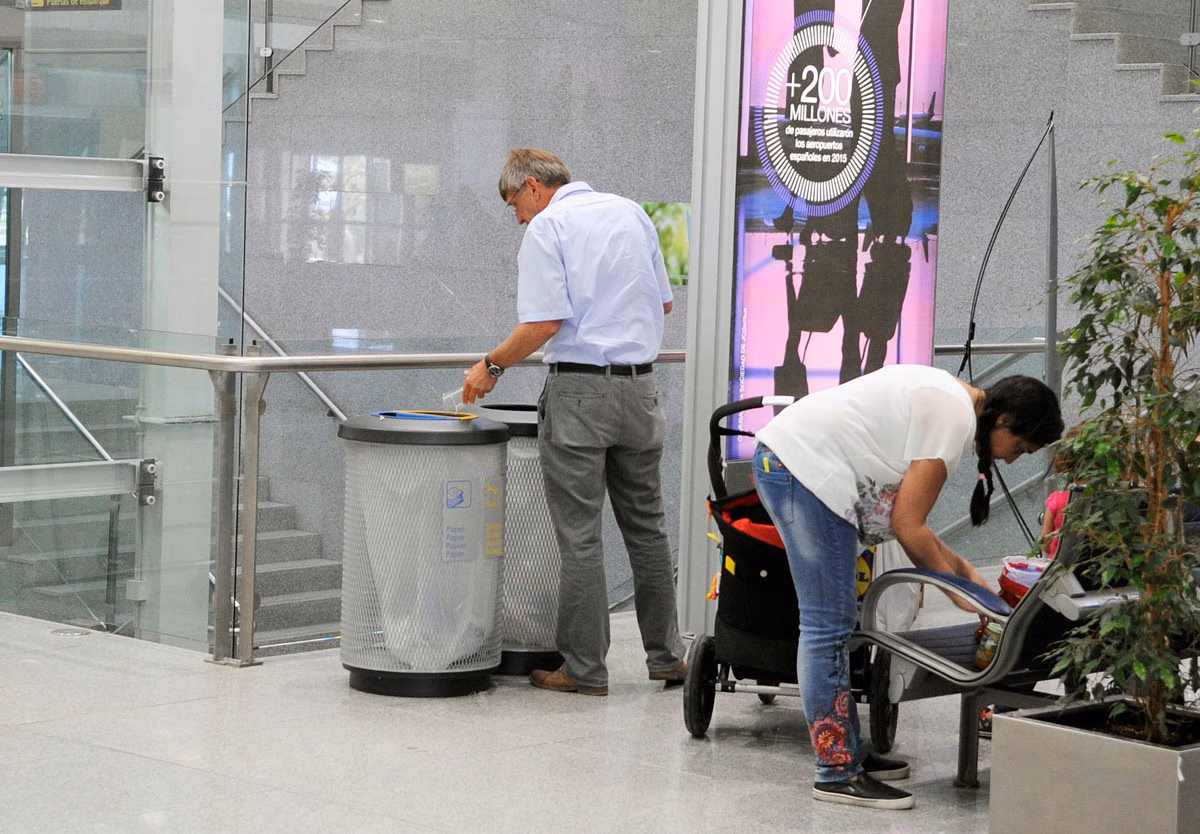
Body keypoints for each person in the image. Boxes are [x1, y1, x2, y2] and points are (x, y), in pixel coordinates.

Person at [752, 365, 1063, 810]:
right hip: (803, 471)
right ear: (1004, 420)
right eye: (1020, 447)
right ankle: (836, 771)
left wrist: (967, 574)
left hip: (793, 463)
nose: (1012, 460)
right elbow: (908, 525)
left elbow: (914, 524)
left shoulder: (951, 399)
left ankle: (848, 752)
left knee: (834, 624)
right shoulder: (953, 417)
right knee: (827, 626)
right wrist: (959, 590)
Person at [461, 148, 686, 697]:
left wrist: (491, 366)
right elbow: (664, 305)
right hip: (641, 390)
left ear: (532, 187)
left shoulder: (548, 227)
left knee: (580, 537)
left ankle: (585, 669)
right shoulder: (631, 212)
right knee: (648, 530)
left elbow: (544, 323)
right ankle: (667, 657)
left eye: (515, 205)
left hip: (580, 393)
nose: (519, 219)